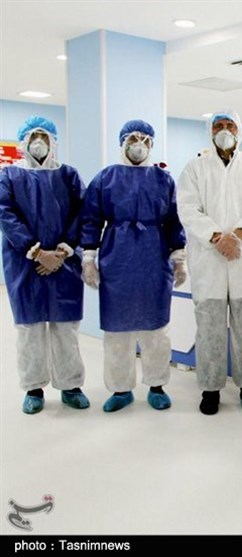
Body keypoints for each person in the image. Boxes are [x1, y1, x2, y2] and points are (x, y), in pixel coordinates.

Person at [80, 120, 186, 412]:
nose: (139, 145)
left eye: (145, 140)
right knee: (118, 329)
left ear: (152, 144)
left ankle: (157, 384)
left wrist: (179, 259)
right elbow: (91, 219)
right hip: (117, 257)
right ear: (122, 143)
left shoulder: (163, 180)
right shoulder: (106, 178)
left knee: (156, 328)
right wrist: (88, 258)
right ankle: (120, 388)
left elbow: (174, 220)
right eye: (132, 139)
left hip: (154, 257)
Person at [177, 110, 242, 415]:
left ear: (240, 131)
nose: (225, 130)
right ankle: (210, 389)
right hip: (210, 261)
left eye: (230, 125)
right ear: (210, 131)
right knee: (209, 329)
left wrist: (238, 235)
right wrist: (218, 237)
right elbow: (188, 210)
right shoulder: (195, 169)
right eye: (219, 125)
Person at [0, 116, 89, 414]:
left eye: (45, 137)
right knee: (31, 328)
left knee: (65, 328)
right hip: (25, 263)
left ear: (53, 141)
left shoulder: (69, 175)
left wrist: (61, 252)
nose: (39, 142)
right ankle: (34, 388)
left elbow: (81, 214)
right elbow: (6, 215)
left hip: (65, 262)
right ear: (23, 142)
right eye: (33, 137)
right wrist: (37, 252)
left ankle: (71, 385)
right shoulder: (9, 176)